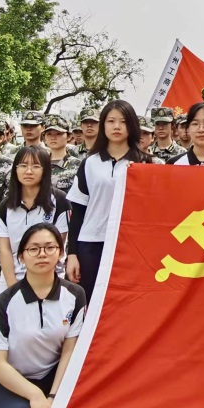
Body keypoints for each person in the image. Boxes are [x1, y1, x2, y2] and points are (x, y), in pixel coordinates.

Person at [0, 223, 97, 408]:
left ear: (60, 253)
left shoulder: (75, 295)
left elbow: (69, 351)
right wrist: (35, 395)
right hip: (10, 380)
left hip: (51, 375)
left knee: (92, 377)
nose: (42, 254)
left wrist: (53, 397)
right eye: (33, 249)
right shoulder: (4, 302)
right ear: (21, 257)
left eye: (49, 247)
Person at [66, 99, 149, 302]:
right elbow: (78, 212)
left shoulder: (144, 163)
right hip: (92, 243)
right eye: (111, 121)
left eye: (123, 121)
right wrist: (72, 254)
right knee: (90, 301)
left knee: (126, 303)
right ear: (103, 125)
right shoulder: (89, 163)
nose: (117, 126)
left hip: (130, 245)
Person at [0, 146, 71, 289]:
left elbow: (58, 245)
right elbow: (5, 249)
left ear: (46, 170)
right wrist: (12, 286)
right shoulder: (6, 205)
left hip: (49, 278)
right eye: (23, 165)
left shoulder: (60, 201)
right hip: (12, 278)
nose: (29, 171)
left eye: (36, 166)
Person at [42, 115, 81, 193]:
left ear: (69, 136)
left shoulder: (78, 165)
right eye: (49, 134)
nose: (53, 137)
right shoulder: (39, 163)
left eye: (59, 134)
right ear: (44, 137)